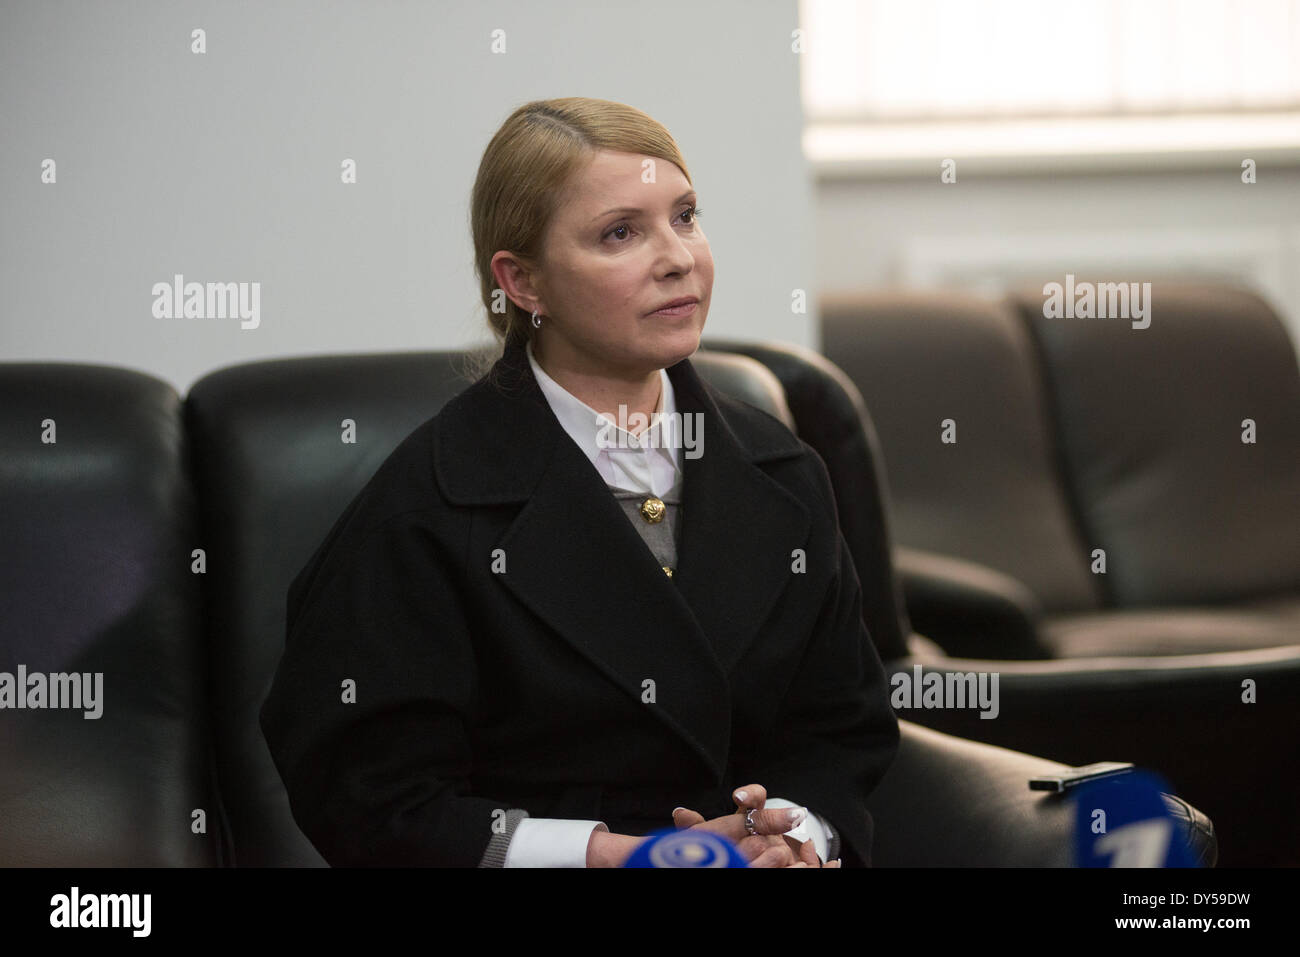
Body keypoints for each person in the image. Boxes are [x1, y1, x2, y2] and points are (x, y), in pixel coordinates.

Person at [259, 97, 899, 867]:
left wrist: (795, 834)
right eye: (621, 232)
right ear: (523, 282)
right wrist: (606, 855)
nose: (678, 256)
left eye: (686, 216)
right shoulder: (422, 511)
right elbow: (373, 799)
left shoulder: (786, 472)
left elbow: (841, 728)